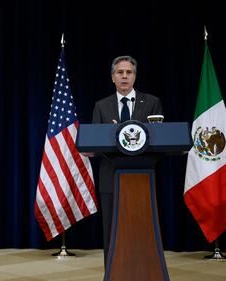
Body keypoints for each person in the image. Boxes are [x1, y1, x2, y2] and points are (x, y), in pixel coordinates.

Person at [91, 55, 163, 268]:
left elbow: (160, 142)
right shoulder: (101, 106)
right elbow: (94, 142)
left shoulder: (151, 102)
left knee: (141, 230)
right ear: (112, 77)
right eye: (120, 72)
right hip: (110, 178)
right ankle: (112, 273)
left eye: (129, 72)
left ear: (135, 76)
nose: (124, 76)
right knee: (111, 232)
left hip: (142, 177)